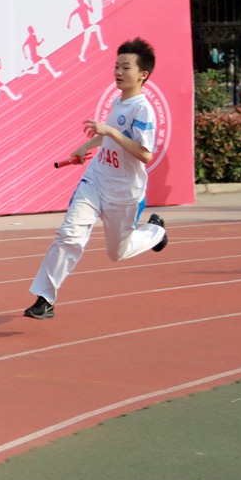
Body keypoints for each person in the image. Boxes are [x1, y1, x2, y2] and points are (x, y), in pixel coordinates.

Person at [24, 37, 166, 320]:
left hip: (124, 193)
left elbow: (145, 154)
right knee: (69, 234)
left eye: (126, 67)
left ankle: (156, 232)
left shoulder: (143, 109)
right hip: (96, 180)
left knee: (117, 253)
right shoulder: (118, 101)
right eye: (116, 66)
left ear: (143, 74)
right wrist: (86, 146)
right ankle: (45, 298)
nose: (118, 72)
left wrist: (110, 132)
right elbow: (109, 135)